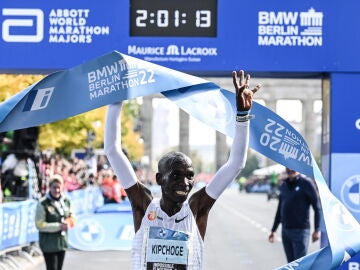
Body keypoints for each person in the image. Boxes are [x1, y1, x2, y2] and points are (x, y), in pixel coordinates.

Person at [104, 70, 260, 269]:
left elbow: (236, 164)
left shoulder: (196, 207)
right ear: (160, 179)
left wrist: (242, 115)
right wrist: (116, 98)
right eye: (176, 175)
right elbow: (112, 150)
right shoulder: (144, 204)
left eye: (190, 176)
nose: (184, 183)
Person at [268, 167, 321, 263]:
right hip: (286, 231)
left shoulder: (306, 183)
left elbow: (317, 208)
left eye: (293, 167)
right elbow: (280, 209)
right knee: (290, 265)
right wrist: (273, 230)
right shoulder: (284, 185)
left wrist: (317, 229)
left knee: (299, 265)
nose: (290, 169)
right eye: (287, 167)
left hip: (301, 231)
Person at [35, 175, 75, 270]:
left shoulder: (66, 201)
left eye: (59, 187)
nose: (57, 190)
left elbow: (72, 216)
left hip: (62, 243)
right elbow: (40, 225)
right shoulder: (43, 203)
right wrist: (59, 226)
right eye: (54, 187)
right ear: (50, 187)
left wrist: (68, 223)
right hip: (48, 244)